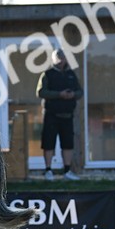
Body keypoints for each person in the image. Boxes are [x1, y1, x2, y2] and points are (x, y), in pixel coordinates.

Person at [36, 48, 82, 180]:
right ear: (54, 59)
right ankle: (48, 170)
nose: (61, 60)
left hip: (67, 115)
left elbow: (80, 92)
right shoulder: (47, 74)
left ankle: (67, 171)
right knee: (48, 142)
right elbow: (40, 92)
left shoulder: (71, 74)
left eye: (63, 57)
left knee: (68, 143)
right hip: (51, 114)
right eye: (59, 57)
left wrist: (73, 95)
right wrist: (59, 95)